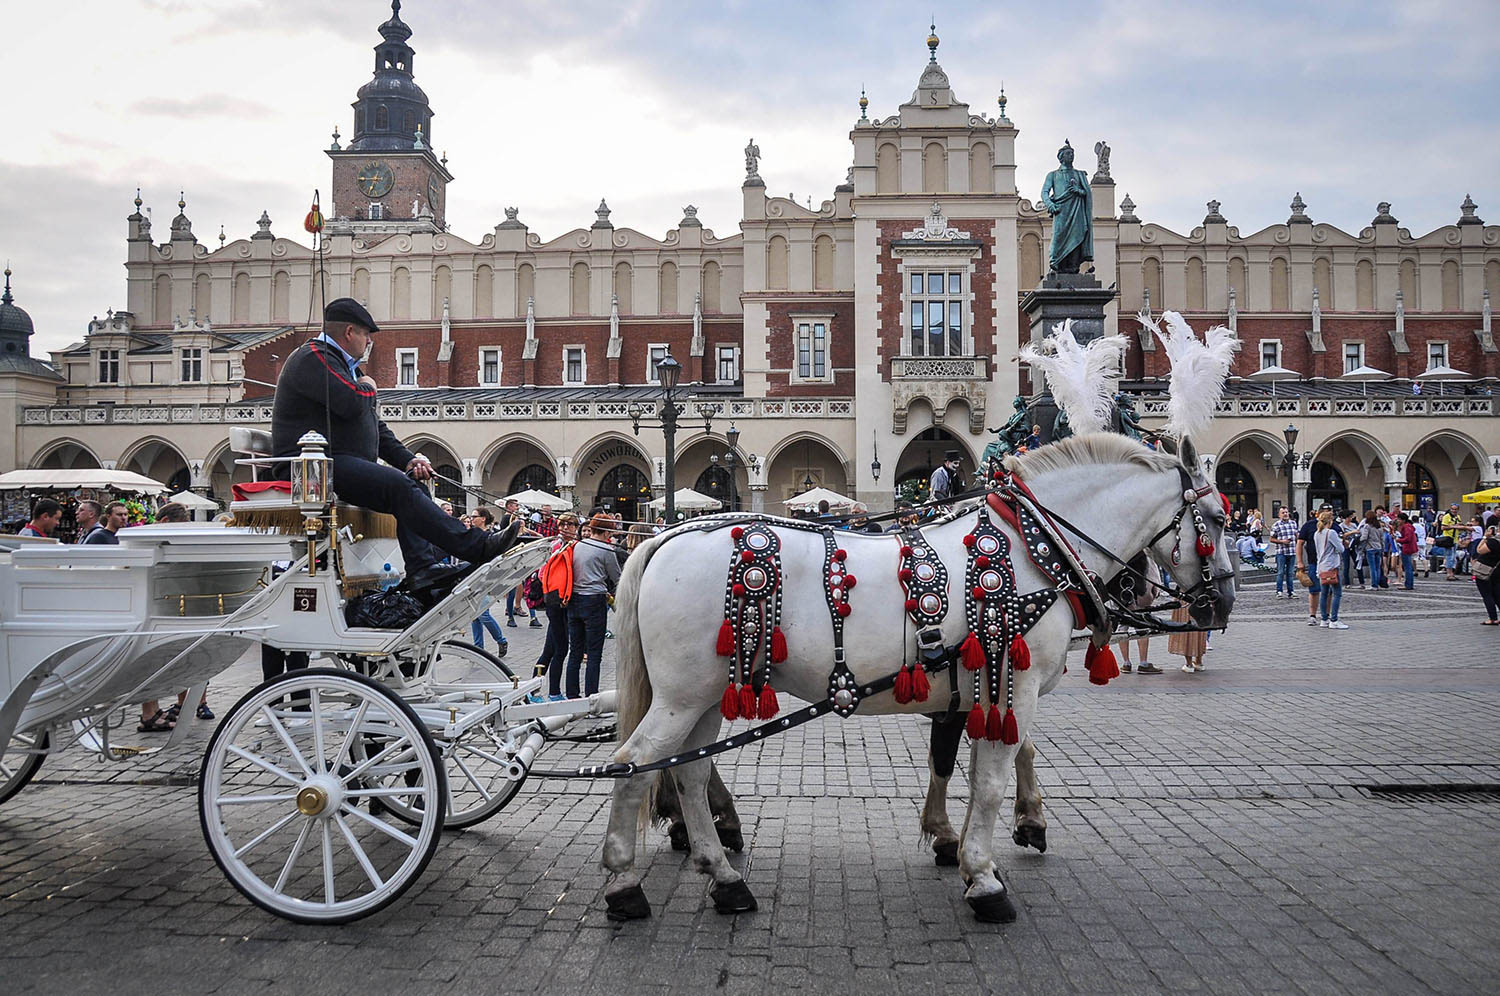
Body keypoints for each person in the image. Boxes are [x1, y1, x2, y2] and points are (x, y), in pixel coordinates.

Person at [270, 297, 519, 591]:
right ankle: (476, 547)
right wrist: (368, 388)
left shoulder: (343, 366)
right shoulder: (313, 356)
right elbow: (351, 403)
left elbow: (375, 427)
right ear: (350, 332)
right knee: (398, 487)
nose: (368, 343)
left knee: (407, 482)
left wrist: (408, 460)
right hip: (313, 466)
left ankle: (422, 568)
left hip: (339, 462)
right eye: (366, 335)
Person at [563, 514, 622, 698]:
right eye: (609, 531)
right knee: (594, 653)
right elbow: (618, 578)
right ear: (605, 531)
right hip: (595, 600)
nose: (610, 535)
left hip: (574, 599)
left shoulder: (578, 545)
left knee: (575, 652)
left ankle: (572, 695)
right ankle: (591, 697)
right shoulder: (606, 549)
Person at [536, 514, 579, 700]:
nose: (566, 527)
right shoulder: (556, 545)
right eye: (563, 524)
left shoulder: (576, 546)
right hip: (556, 601)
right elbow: (541, 573)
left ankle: (532, 690)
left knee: (550, 650)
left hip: (564, 601)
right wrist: (556, 587)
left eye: (570, 524)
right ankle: (553, 692)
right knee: (560, 649)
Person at [467, 508, 509, 655]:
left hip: (486, 579)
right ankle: (478, 648)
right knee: (473, 616)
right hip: (472, 577)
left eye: (474, 516)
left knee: (483, 614)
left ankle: (501, 640)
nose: (472, 519)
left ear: (483, 518)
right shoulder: (471, 535)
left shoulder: (490, 536)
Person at [1313, 510, 1348, 629]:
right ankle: (1334, 619)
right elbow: (1341, 548)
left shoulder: (1317, 533)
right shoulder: (1331, 533)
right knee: (1337, 593)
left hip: (1321, 566)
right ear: (1330, 521)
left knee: (1324, 593)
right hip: (1332, 566)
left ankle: (1324, 619)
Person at [1295, 508, 1325, 624]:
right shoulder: (1309, 525)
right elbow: (1300, 542)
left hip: (1328, 563)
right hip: (1313, 562)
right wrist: (1300, 561)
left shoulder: (1334, 526)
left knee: (1329, 590)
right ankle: (1312, 615)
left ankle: (1326, 616)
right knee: (1313, 590)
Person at [1473, 525, 1500, 625]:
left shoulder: (1494, 541)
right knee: (1497, 594)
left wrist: (1485, 537)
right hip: (1497, 570)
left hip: (1485, 569)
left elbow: (1479, 550)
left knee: (1487, 594)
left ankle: (1492, 618)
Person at [1269, 507, 1298, 597]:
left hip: (1292, 552)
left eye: (1286, 512)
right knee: (1280, 572)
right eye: (1283, 512)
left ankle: (1291, 591)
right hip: (1281, 552)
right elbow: (1271, 539)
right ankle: (1279, 591)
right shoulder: (1276, 525)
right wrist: (1282, 541)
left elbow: (1296, 535)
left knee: (1290, 573)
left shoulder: (1293, 524)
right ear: (1279, 515)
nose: (1285, 514)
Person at [1358, 510, 1387, 590]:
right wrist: (1383, 548)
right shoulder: (1379, 526)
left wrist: (1359, 541)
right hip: (1379, 548)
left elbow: (1364, 537)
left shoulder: (1367, 526)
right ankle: (1376, 584)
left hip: (1370, 548)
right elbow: (1382, 538)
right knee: (1377, 567)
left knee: (1372, 567)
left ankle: (1374, 584)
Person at [1436, 503, 1465, 580]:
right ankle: (1449, 573)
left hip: (1455, 539)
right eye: (1452, 509)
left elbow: (1459, 525)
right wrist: (1453, 526)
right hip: (1448, 539)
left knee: (1453, 557)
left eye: (1455, 509)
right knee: (1449, 557)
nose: (1454, 511)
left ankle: (1452, 573)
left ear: (1458, 510)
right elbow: (1443, 527)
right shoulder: (1446, 517)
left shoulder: (1458, 517)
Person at [1397, 513, 1419, 590]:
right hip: (1409, 547)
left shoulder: (1406, 527)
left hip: (1407, 548)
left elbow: (1407, 539)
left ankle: (1408, 584)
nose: (1398, 521)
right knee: (1408, 566)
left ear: (1403, 520)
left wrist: (1398, 540)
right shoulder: (1409, 527)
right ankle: (1408, 584)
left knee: (1407, 567)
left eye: (1399, 519)